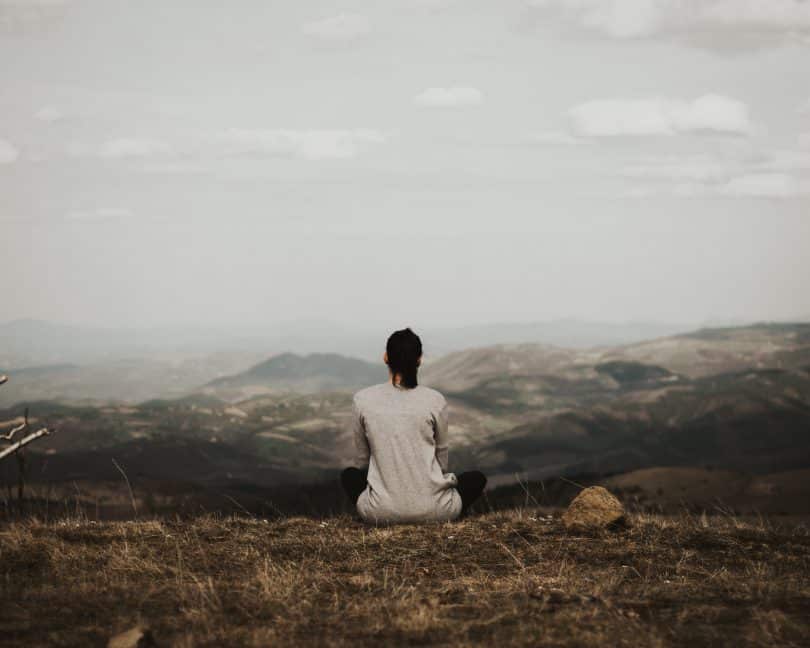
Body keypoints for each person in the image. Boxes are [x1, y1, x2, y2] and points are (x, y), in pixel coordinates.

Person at [340, 327, 487, 524]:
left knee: (349, 476)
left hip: (380, 513)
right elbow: (441, 460)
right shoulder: (435, 400)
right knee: (476, 478)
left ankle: (385, 508)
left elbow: (362, 461)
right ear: (419, 360)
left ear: (385, 357)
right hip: (436, 511)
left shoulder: (362, 400)